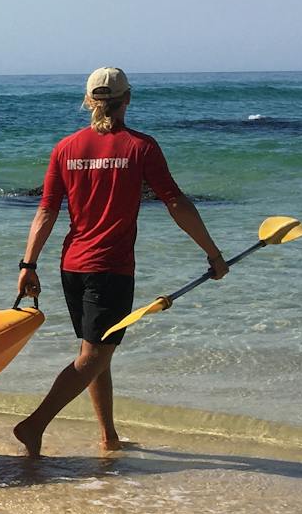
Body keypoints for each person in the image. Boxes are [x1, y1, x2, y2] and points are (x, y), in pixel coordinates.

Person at [12, 68, 228, 457]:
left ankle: (108, 436)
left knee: (95, 352)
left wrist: (27, 265)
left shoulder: (65, 148)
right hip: (110, 269)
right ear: (128, 98)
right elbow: (176, 203)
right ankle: (34, 424)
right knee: (95, 354)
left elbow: (45, 212)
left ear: (88, 101)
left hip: (71, 267)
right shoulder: (141, 147)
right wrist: (212, 253)